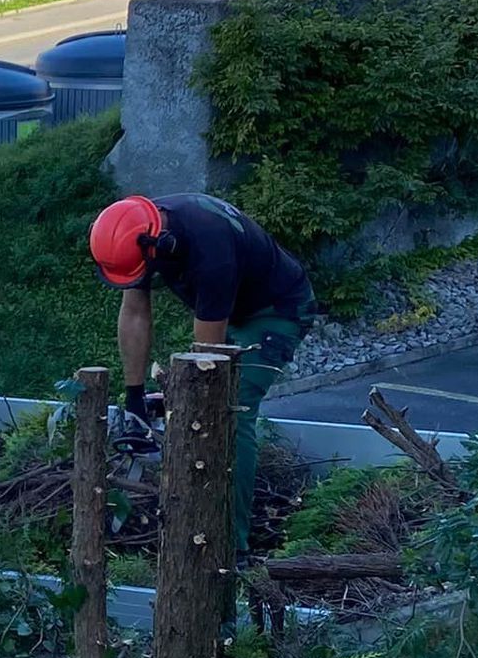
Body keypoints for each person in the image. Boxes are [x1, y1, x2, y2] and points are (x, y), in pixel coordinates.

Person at [89, 192, 318, 553]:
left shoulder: (211, 249)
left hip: (276, 310)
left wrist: (186, 402)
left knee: (230, 410)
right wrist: (135, 399)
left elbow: (208, 364)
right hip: (231, 305)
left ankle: (231, 545)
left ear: (160, 243)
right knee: (199, 402)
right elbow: (134, 313)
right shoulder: (136, 230)